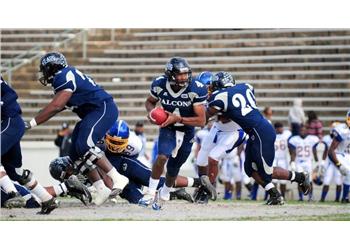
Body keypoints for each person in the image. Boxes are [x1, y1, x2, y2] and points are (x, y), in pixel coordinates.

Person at [24, 52, 128, 206]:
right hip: (91, 114)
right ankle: (100, 188)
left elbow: (56, 106)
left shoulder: (63, 75)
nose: (44, 73)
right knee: (75, 153)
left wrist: (31, 123)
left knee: (85, 145)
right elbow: (57, 106)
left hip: (102, 108)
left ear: (52, 67)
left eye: (45, 69)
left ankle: (117, 177)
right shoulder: (64, 77)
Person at [206, 71, 311, 205]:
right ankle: (275, 195)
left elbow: (205, 116)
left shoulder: (221, 96)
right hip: (256, 132)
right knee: (249, 169)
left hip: (261, 133)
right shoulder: (246, 86)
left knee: (266, 172)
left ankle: (300, 177)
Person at [49, 120, 206, 204]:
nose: (116, 146)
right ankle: (175, 194)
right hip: (113, 173)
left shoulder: (133, 144)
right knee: (136, 199)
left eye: (68, 173)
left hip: (124, 163)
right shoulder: (79, 167)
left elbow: (108, 178)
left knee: (151, 179)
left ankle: (198, 181)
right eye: (66, 175)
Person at [140, 57, 212, 210]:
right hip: (168, 127)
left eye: (186, 74)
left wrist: (178, 118)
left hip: (187, 128)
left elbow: (201, 121)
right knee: (161, 156)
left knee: (174, 167)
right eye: (180, 74)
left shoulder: (196, 88)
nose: (184, 77)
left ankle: (165, 193)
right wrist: (151, 112)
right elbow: (149, 101)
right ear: (170, 74)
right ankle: (150, 193)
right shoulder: (159, 83)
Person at [1, 76, 59, 214]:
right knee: (16, 173)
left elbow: (11, 94)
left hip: (10, 122)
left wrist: (1, 103)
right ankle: (47, 199)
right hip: (9, 125)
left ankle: (13, 195)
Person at [194, 71, 246, 203]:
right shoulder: (207, 97)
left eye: (208, 87)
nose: (207, 90)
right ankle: (203, 186)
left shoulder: (225, 96)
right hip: (217, 129)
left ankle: (207, 191)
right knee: (200, 160)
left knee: (213, 158)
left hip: (233, 131)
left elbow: (220, 117)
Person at [288, 125, 327, 201]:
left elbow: (316, 149)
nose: (302, 132)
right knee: (299, 180)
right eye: (301, 130)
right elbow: (292, 152)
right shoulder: (294, 139)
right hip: (298, 162)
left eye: (304, 130)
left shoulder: (312, 139)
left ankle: (311, 197)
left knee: (309, 180)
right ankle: (300, 198)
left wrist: (317, 162)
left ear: (307, 131)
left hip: (308, 162)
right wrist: (292, 162)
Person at [327, 111, 350, 203]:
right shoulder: (341, 129)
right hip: (338, 154)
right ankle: (344, 198)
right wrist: (339, 164)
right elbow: (330, 151)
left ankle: (347, 197)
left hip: (347, 155)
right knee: (348, 173)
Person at [320, 121, 342, 202]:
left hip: (338, 161)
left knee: (338, 181)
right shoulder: (327, 138)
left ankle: (337, 199)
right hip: (329, 162)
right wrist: (323, 161)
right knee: (326, 181)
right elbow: (326, 150)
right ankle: (322, 199)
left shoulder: (342, 138)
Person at [272, 122, 292, 199]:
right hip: (274, 159)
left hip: (283, 160)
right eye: (280, 128)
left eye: (282, 127)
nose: (282, 129)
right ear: (276, 129)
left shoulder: (286, 134)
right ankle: (274, 196)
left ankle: (283, 196)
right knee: (274, 180)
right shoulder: (272, 135)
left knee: (283, 180)